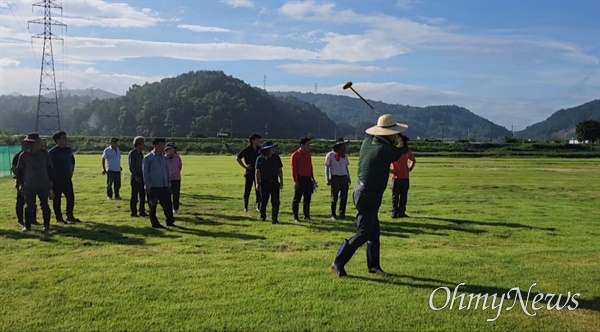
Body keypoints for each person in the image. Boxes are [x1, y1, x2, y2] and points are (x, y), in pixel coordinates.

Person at [330, 114, 409, 277]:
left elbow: (394, 148)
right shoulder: (384, 150)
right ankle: (338, 262)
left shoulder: (367, 142)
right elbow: (402, 151)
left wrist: (396, 137)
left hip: (362, 191)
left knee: (374, 232)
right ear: (389, 134)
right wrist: (402, 140)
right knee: (363, 233)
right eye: (394, 132)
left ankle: (374, 266)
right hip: (368, 194)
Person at [16, 132, 54, 233]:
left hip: (43, 183)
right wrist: (20, 184)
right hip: (29, 184)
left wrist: (50, 183)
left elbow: (50, 169)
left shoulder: (44, 154)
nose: (39, 143)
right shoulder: (23, 155)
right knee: (29, 206)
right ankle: (27, 226)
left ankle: (46, 226)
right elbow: (19, 171)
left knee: (45, 205)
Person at [48, 131, 80, 224]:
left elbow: (72, 161)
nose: (66, 140)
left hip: (67, 178)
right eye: (63, 138)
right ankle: (59, 218)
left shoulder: (68, 150)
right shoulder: (52, 152)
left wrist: (71, 171)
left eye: (66, 138)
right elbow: (48, 166)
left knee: (70, 197)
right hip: (56, 179)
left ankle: (70, 216)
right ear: (57, 140)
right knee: (57, 198)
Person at [142, 138, 175, 228]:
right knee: (153, 206)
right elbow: (145, 173)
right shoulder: (148, 158)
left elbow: (167, 171)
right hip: (153, 186)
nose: (163, 147)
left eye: (163, 145)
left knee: (167, 204)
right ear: (155, 145)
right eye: (161, 145)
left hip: (164, 185)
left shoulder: (164, 158)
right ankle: (155, 223)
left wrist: (169, 184)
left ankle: (170, 221)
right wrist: (147, 185)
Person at [255, 141, 283, 224]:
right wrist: (257, 183)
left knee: (276, 201)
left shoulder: (276, 158)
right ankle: (262, 216)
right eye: (272, 148)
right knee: (264, 201)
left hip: (274, 182)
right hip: (264, 183)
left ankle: (274, 219)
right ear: (267, 149)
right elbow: (257, 172)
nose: (274, 149)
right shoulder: (260, 159)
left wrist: (281, 181)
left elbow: (280, 170)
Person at [11, 139, 37, 227]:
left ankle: (33, 218)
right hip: (22, 181)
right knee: (21, 201)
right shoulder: (19, 155)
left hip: (33, 181)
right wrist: (19, 179)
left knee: (32, 201)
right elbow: (14, 168)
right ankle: (20, 220)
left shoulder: (35, 154)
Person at [290, 137, 316, 222]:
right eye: (308, 144)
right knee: (297, 198)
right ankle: (296, 217)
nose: (309, 146)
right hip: (300, 178)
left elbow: (310, 166)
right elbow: (294, 169)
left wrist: (313, 178)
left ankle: (306, 215)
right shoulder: (295, 155)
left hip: (308, 178)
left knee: (307, 198)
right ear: (302, 145)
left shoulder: (308, 154)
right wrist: (295, 181)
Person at [325, 138, 351, 220]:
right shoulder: (330, 155)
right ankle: (333, 214)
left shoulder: (345, 156)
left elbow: (346, 167)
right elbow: (327, 167)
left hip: (344, 177)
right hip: (335, 178)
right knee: (334, 197)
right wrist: (327, 178)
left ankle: (342, 214)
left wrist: (348, 177)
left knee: (344, 197)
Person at [236, 133, 262, 212]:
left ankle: (258, 205)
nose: (259, 141)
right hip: (250, 172)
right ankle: (245, 206)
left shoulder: (260, 150)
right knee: (247, 189)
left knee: (258, 189)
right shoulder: (247, 150)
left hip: (258, 172)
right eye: (257, 139)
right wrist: (245, 166)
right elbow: (238, 158)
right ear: (252, 140)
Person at [390, 149, 416, 218]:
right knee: (395, 196)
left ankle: (401, 212)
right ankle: (394, 212)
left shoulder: (407, 151)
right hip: (396, 177)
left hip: (405, 177)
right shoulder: (393, 151)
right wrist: (391, 170)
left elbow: (413, 160)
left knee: (404, 196)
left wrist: (410, 168)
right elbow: (384, 162)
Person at [128, 136, 148, 217]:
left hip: (142, 175)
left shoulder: (141, 154)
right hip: (135, 176)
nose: (144, 145)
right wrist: (136, 176)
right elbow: (131, 166)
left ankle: (141, 211)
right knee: (134, 195)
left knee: (142, 195)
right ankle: (133, 212)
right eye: (143, 144)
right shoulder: (132, 154)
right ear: (138, 144)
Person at [165, 142, 182, 214]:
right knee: (167, 194)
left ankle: (175, 208)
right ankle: (168, 207)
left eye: (172, 149)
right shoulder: (164, 158)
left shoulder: (177, 158)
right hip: (167, 179)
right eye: (169, 149)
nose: (171, 150)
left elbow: (180, 167)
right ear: (166, 150)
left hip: (176, 178)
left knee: (176, 194)